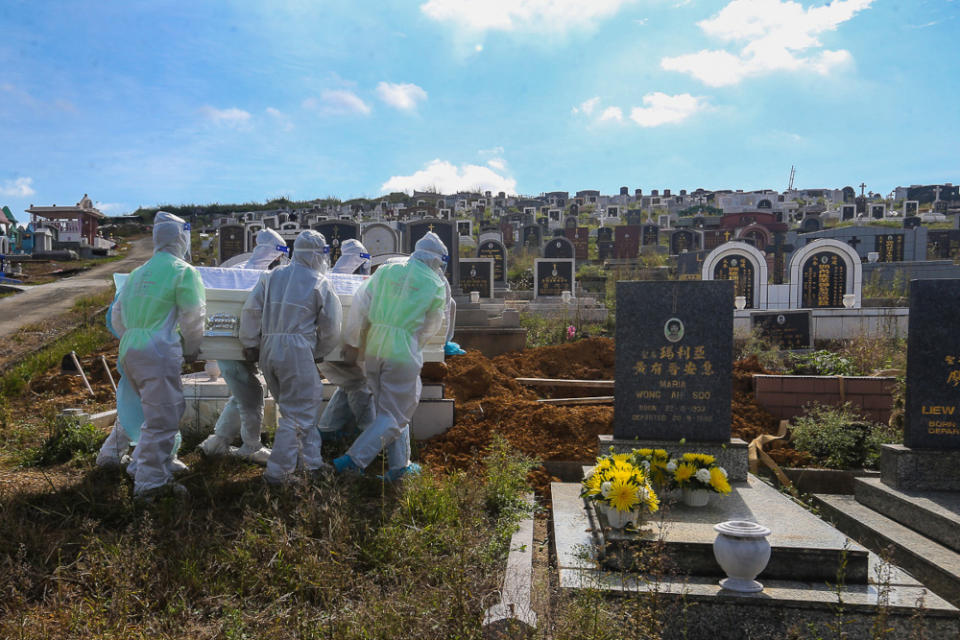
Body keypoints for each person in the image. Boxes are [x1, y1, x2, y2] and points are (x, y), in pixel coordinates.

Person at [333, 232, 449, 481]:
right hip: (402, 350)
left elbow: (360, 304)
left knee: (387, 412)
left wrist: (354, 341)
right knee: (396, 414)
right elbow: (431, 325)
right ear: (435, 260)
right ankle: (353, 460)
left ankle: (399, 467)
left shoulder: (386, 271)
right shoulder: (434, 283)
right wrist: (412, 343)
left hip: (374, 347)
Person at [111, 211, 205, 499]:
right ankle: (151, 485)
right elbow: (193, 317)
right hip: (158, 350)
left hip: (130, 347)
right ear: (182, 237)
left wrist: (135, 335)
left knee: (151, 413)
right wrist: (191, 348)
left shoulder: (138, 273)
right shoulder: (183, 271)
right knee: (162, 418)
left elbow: (117, 316)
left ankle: (144, 464)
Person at [239, 230, 342, 486]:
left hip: (269, 349)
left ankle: (310, 463)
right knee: (300, 413)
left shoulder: (272, 276)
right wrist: (318, 352)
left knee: (294, 410)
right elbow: (331, 326)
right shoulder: (319, 281)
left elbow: (251, 311)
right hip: (296, 351)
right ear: (319, 254)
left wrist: (251, 343)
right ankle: (278, 474)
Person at [198, 228, 287, 465]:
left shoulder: (243, 271)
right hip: (231, 340)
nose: (278, 259)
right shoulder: (249, 274)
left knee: (241, 393)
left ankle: (217, 443)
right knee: (251, 394)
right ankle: (251, 445)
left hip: (231, 341)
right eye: (278, 254)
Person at [95, 291, 186, 472]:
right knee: (150, 408)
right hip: (147, 353)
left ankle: (113, 454)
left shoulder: (146, 280)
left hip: (146, 351)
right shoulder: (151, 282)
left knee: (140, 407)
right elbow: (117, 317)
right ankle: (145, 462)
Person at [316, 239, 374, 440]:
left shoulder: (328, 278)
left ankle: (328, 429)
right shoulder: (339, 282)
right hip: (338, 348)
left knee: (348, 383)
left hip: (331, 349)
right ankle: (371, 435)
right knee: (359, 383)